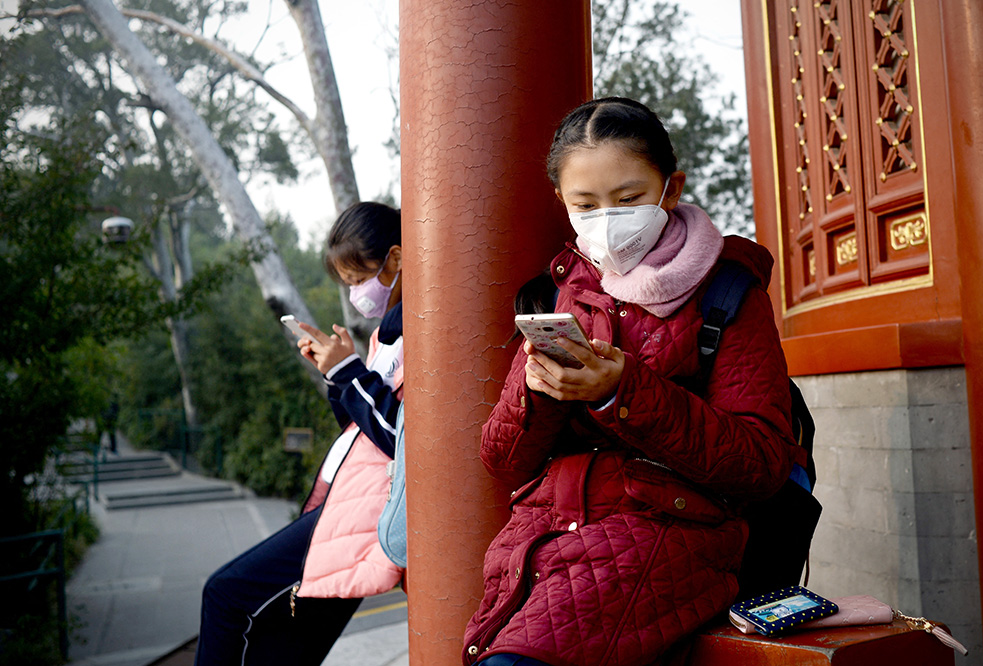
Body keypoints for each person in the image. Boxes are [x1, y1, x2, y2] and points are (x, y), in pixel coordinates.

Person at [463, 97, 806, 666]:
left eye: (628, 200)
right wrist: (541, 390)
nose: (607, 221)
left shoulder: (728, 295)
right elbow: (502, 460)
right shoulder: (557, 293)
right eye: (586, 205)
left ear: (670, 189)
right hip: (542, 534)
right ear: (562, 203)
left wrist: (624, 392)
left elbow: (763, 461)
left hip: (670, 533)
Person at [195, 201, 404, 666]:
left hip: (371, 510)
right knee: (284, 646)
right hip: (347, 500)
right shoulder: (384, 336)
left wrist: (350, 373)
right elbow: (364, 432)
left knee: (226, 595)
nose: (355, 293)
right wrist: (339, 377)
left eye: (357, 278)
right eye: (346, 283)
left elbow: (401, 439)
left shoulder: (420, 331)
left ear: (395, 259)